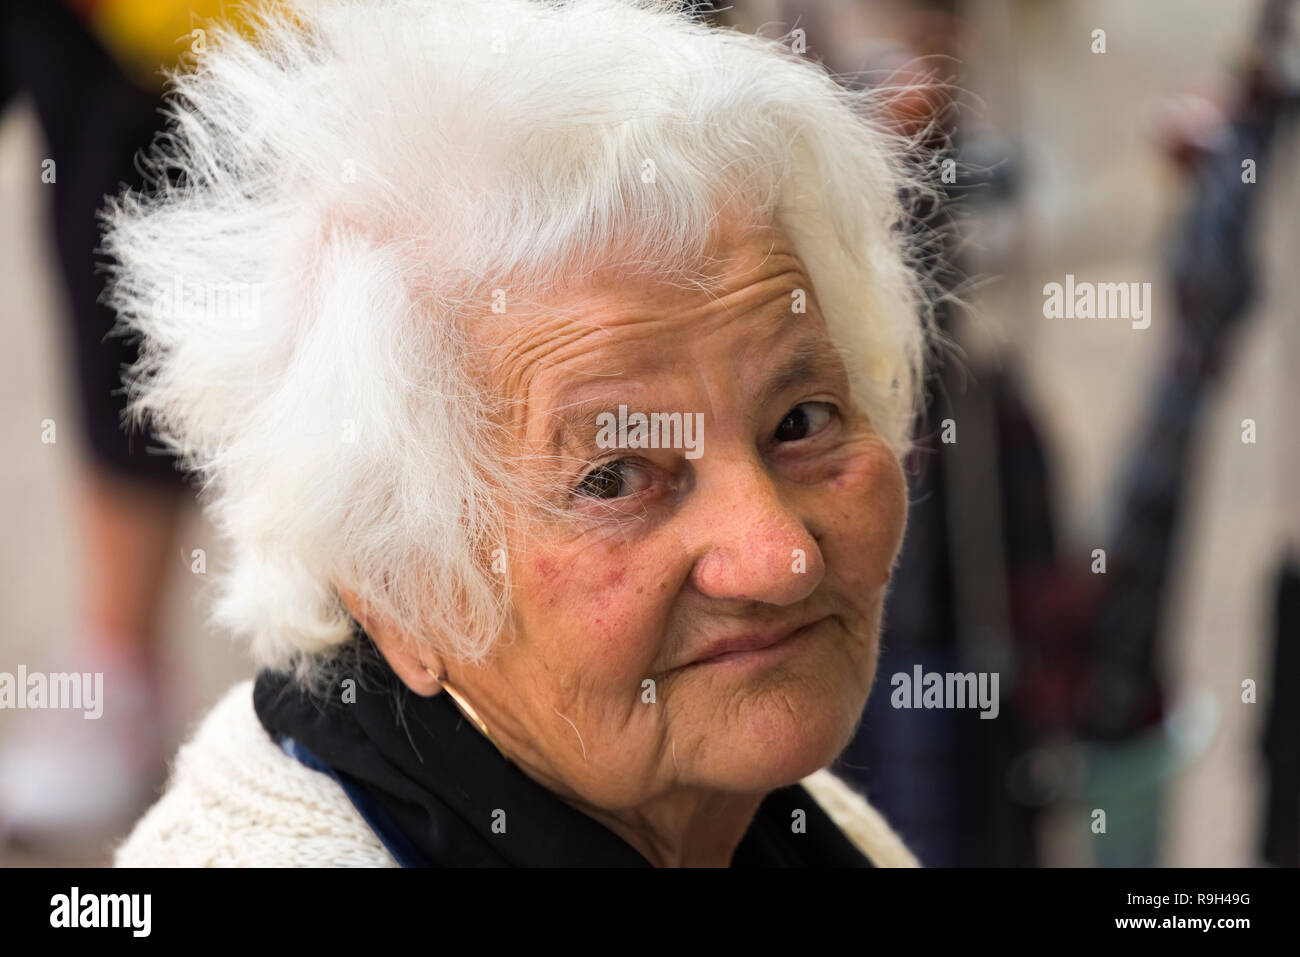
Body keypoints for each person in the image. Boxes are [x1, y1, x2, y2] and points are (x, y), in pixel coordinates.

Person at [108, 0, 933, 867]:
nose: (779, 556)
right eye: (615, 476)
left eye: (799, 423)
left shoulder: (803, 829)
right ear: (402, 593)